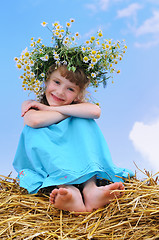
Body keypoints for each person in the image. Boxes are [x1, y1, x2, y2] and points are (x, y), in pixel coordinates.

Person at [13, 19, 134, 212]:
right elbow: (34, 121)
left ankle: (91, 190)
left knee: (83, 120)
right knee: (57, 125)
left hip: (83, 167)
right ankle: (69, 191)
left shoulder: (75, 107)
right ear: (46, 81)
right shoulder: (31, 106)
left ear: (78, 95)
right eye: (56, 82)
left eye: (70, 88)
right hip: (53, 168)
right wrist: (54, 111)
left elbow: (95, 112)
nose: (60, 92)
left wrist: (51, 110)